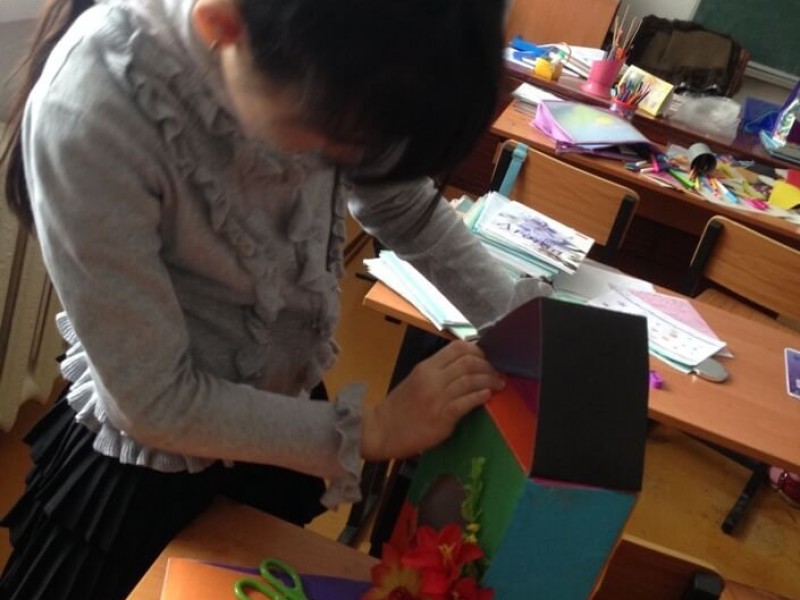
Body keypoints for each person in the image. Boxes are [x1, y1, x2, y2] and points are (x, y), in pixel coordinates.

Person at [0, 0, 551, 598]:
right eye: (333, 143)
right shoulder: (93, 107)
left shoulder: (327, 55)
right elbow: (153, 400)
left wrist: (527, 332)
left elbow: (399, 201)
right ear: (221, 25)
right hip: (146, 460)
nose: (347, 162)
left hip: (275, 418)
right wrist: (369, 430)